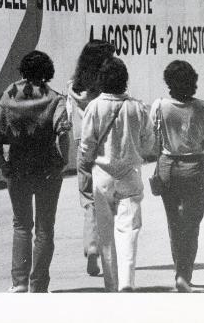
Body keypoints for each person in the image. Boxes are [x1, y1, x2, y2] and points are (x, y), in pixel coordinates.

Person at [0, 50, 70, 293]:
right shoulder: (55, 98)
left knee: (22, 224)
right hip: (47, 166)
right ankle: (39, 285)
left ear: (23, 69)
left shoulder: (7, 95)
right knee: (45, 227)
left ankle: (19, 283)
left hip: (18, 164)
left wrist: (4, 165)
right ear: (47, 71)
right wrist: (63, 161)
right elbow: (63, 131)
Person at [77, 57, 153, 292]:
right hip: (130, 174)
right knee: (128, 231)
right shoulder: (137, 107)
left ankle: (111, 285)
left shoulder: (94, 107)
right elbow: (149, 143)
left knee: (106, 234)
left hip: (102, 176)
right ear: (124, 80)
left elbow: (86, 145)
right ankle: (126, 283)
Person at [152, 61, 204, 293]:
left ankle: (179, 271)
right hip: (195, 168)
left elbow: (153, 140)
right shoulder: (203, 108)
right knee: (192, 223)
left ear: (168, 82)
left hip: (167, 167)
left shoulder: (160, 106)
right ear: (193, 81)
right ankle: (185, 272)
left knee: (174, 221)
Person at [66, 40, 115, 277]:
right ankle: (104, 250)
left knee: (88, 197)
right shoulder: (105, 90)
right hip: (103, 143)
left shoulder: (72, 88)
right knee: (108, 196)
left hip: (80, 145)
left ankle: (91, 245)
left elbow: (68, 117)